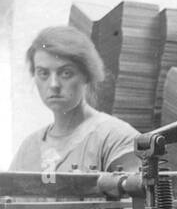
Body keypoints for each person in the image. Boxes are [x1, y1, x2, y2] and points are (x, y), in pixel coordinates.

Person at [9, 26, 139, 174]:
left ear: (87, 75)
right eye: (43, 73)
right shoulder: (29, 148)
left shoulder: (116, 138)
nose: (53, 85)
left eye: (65, 73)